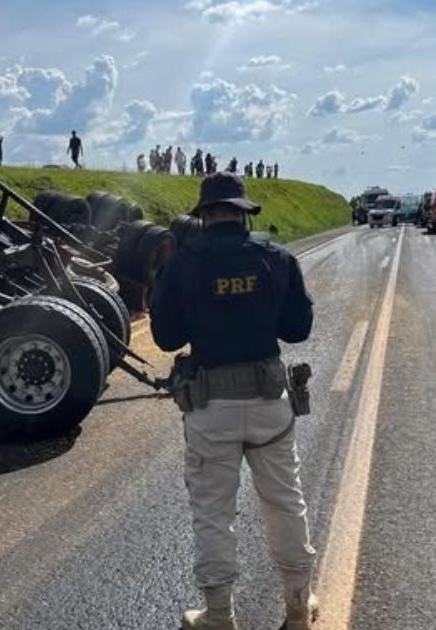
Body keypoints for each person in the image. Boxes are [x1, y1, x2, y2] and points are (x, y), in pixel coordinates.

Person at [151, 172, 318, 630]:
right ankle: (298, 606)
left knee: (213, 515)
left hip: (210, 407)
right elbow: (298, 329)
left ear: (204, 215)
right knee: (285, 502)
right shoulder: (276, 257)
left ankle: (220, 615)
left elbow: (166, 338)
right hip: (269, 403)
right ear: (244, 214)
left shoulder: (183, 263)